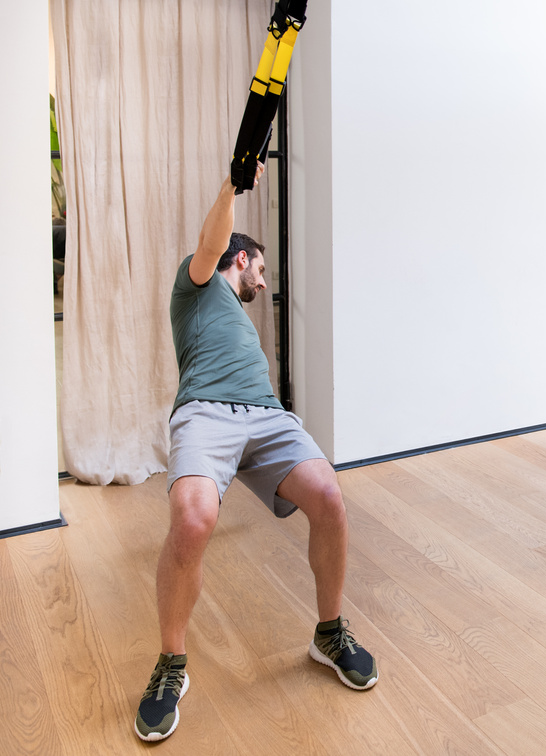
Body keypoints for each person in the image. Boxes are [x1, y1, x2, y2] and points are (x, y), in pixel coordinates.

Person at [134, 167, 377, 743]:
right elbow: (213, 243)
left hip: (267, 416)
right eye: (260, 270)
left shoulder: (235, 318)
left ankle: (329, 633)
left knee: (330, 497)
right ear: (240, 261)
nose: (264, 284)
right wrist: (229, 189)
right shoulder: (196, 286)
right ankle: (171, 664)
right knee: (193, 520)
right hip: (204, 415)